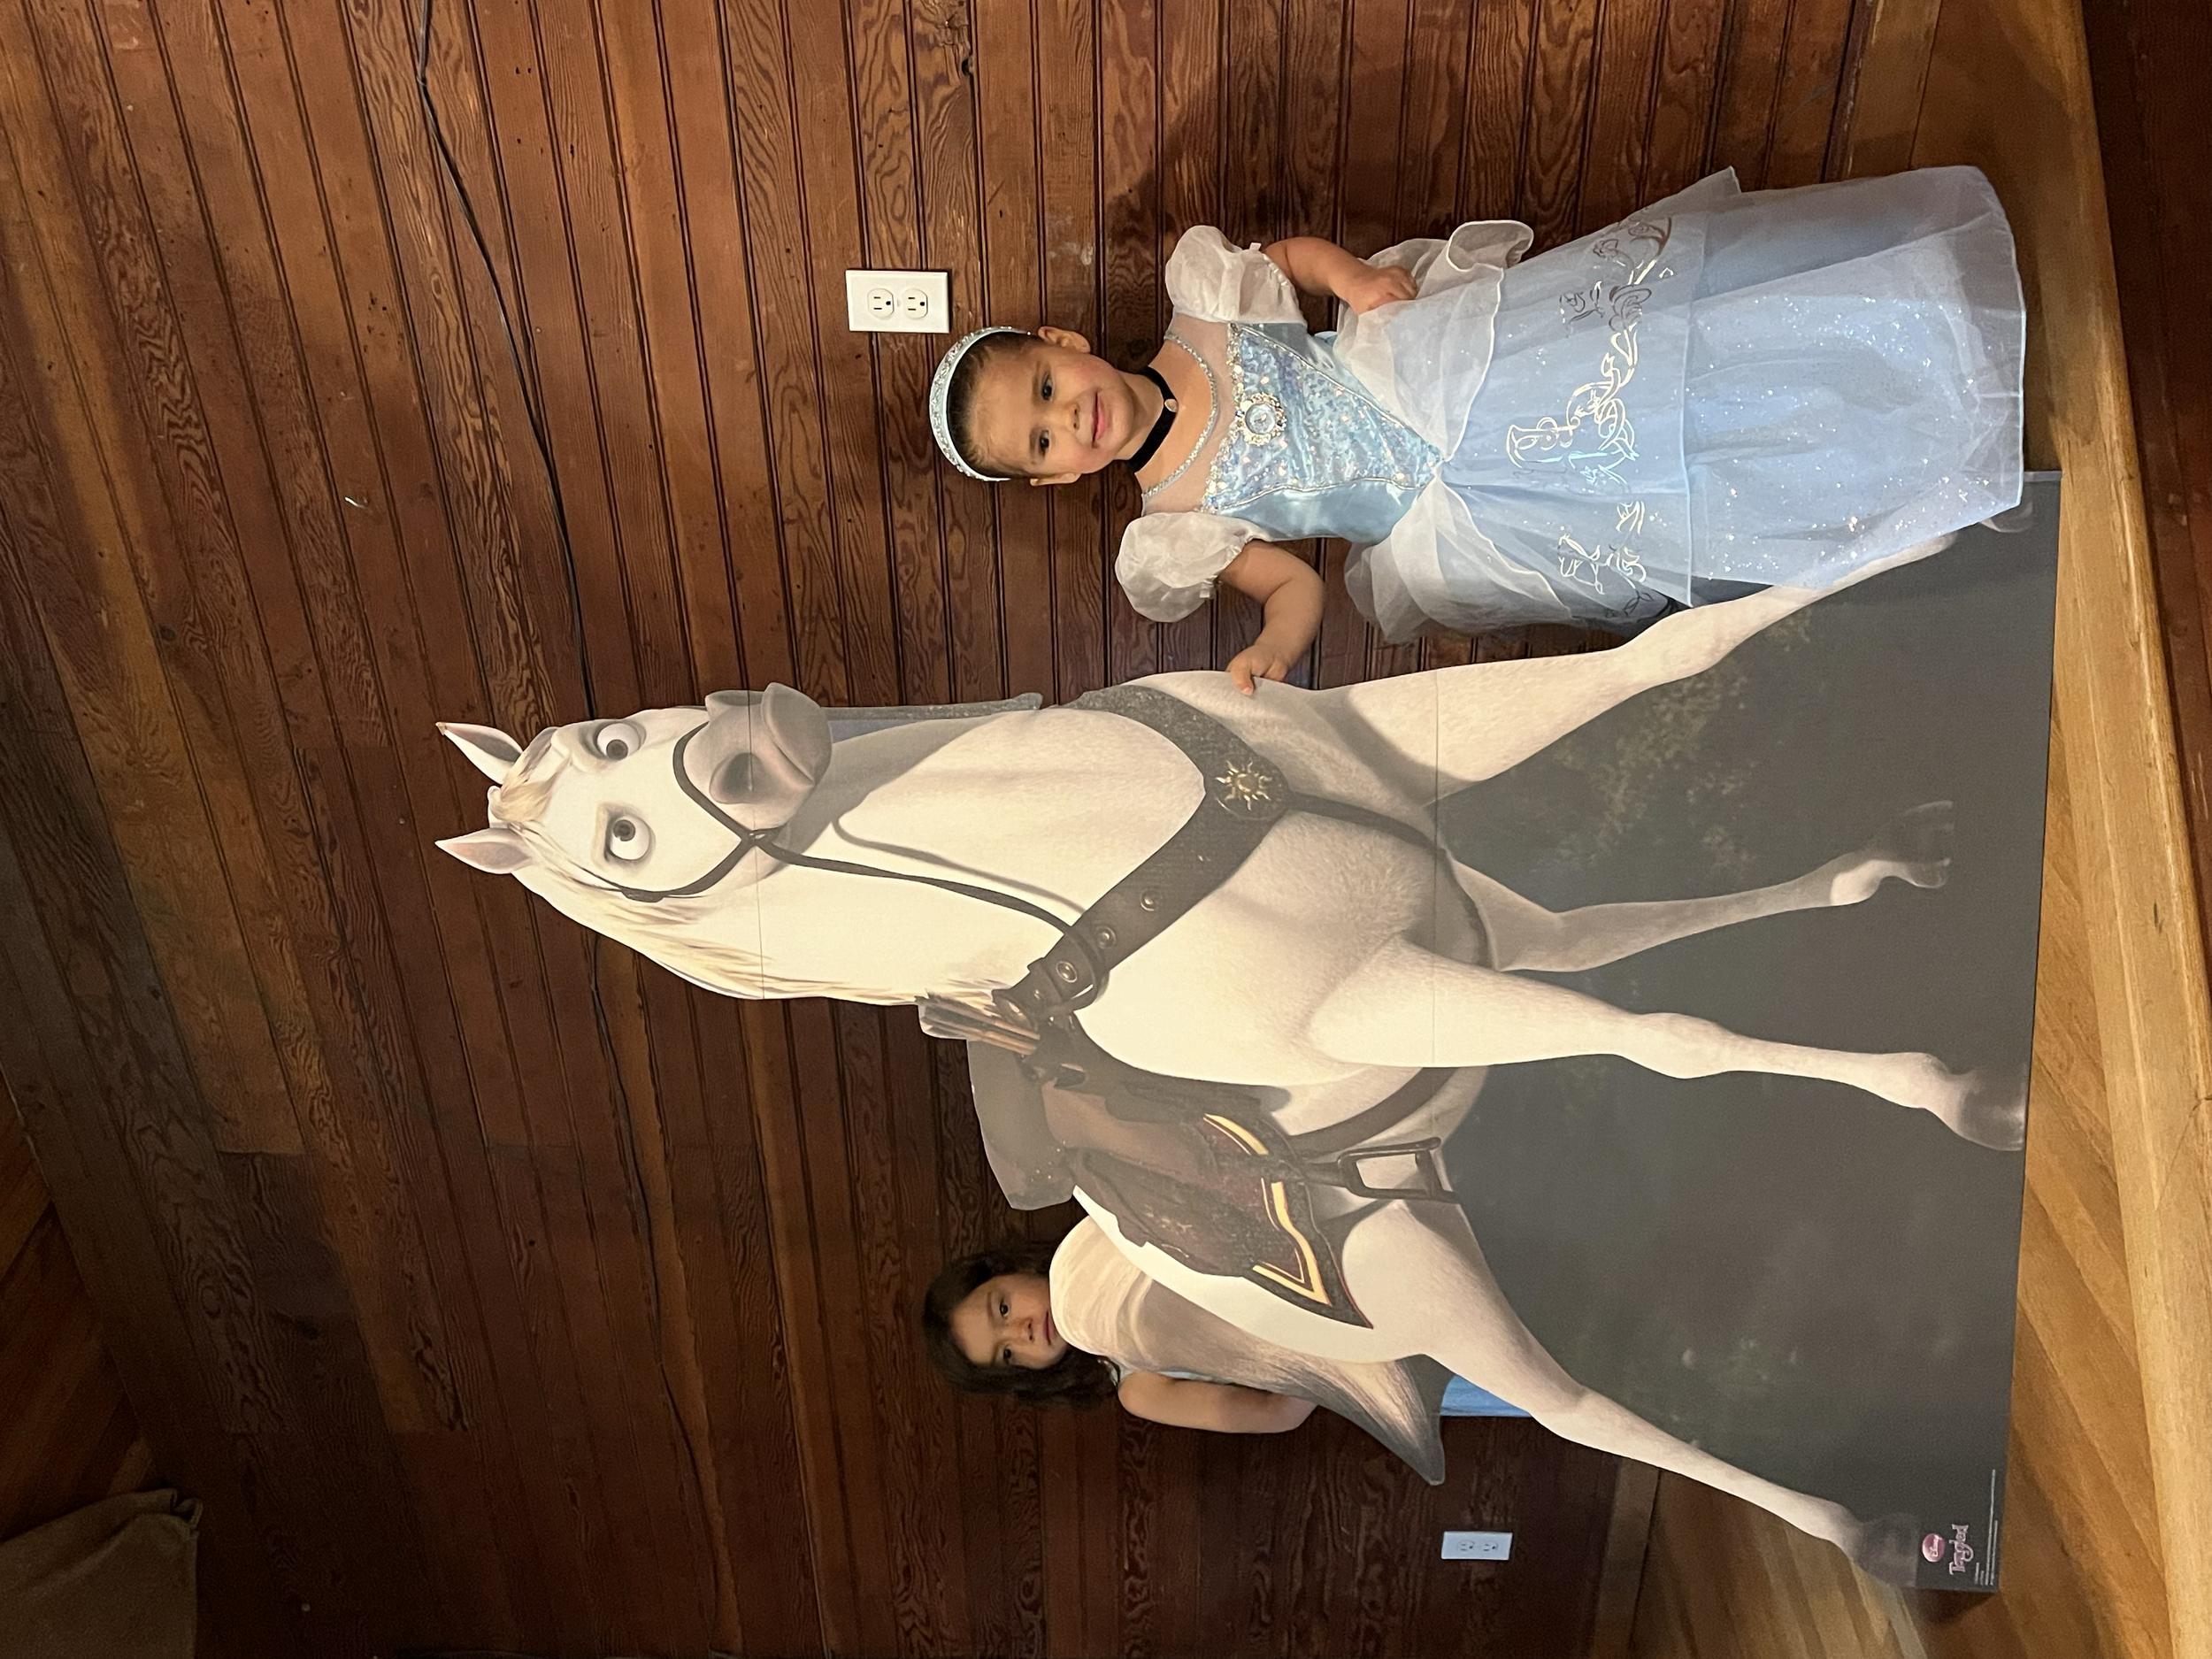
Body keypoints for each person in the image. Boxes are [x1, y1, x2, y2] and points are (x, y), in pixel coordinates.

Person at [926, 167, 2024, 690]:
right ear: (1054, 482)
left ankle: (1912, 315)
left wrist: (1355, 281)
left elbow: (1289, 262)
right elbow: (1296, 582)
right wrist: (1269, 649)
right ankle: (1904, 463)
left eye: (1041, 383)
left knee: (1659, 364)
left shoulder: (1201, 304)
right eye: (1041, 441)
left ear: (1058, 336)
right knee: (1663, 486)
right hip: (1454, 513)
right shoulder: (1174, 523)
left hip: (1441, 376)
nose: (1067, 414)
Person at [922, 1235, 1527, 1434]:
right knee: (1541, 1366)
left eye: (1003, 1305)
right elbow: (1274, 1413)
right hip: (1384, 1358)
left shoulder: (1112, 1232)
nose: (1025, 1330)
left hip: (1379, 1255)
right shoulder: (1139, 1387)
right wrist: (1318, 1341)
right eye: (1008, 1351)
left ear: (1016, 1269)